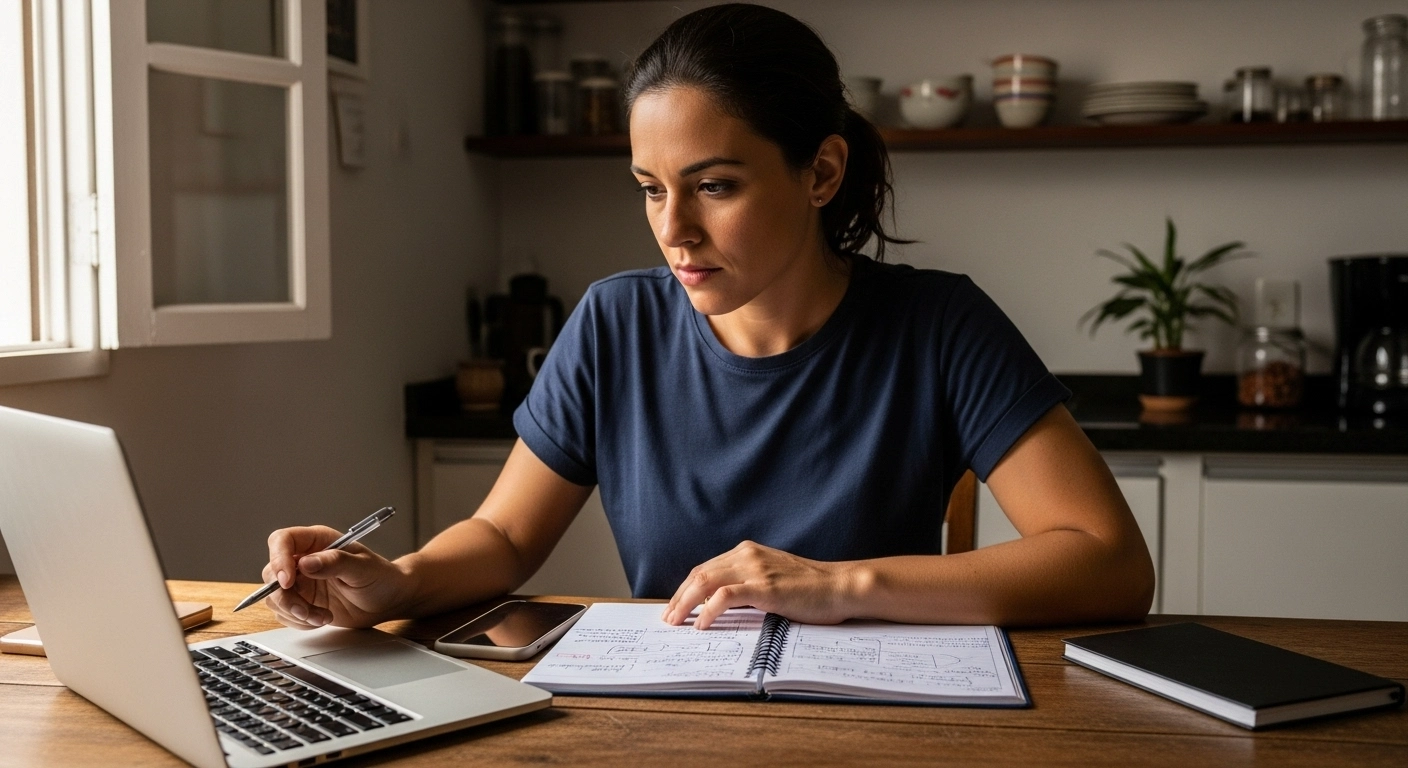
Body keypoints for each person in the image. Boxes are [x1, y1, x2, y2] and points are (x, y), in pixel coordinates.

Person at [260, 4, 1154, 633]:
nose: (673, 231)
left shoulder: (940, 325)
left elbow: (1109, 562)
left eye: (714, 186)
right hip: (671, 719)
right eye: (651, 189)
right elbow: (502, 536)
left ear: (821, 172)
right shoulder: (616, 323)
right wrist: (398, 582)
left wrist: (835, 585)